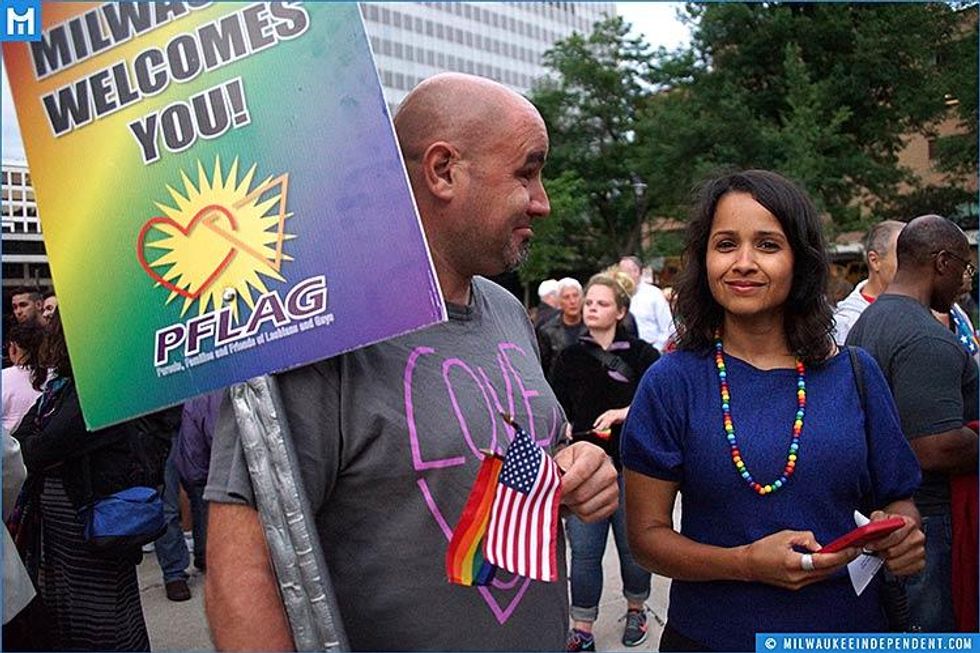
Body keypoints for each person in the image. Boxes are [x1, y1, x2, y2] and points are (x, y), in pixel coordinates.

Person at [205, 73, 619, 652]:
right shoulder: (321, 326)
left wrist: (574, 466)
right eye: (527, 172)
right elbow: (243, 569)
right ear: (443, 170)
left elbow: (502, 453)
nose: (542, 201)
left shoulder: (502, 307)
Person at [621, 170, 925, 652]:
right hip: (711, 638)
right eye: (725, 245)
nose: (743, 263)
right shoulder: (671, 382)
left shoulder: (856, 374)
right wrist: (743, 562)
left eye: (767, 245)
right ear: (703, 260)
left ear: (799, 261)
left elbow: (899, 500)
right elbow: (646, 538)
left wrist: (904, 537)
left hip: (848, 636)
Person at [846, 215, 979, 633]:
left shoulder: (871, 322)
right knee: (932, 632)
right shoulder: (926, 336)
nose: (964, 280)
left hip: (890, 516)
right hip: (929, 525)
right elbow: (932, 445)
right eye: (963, 266)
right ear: (941, 262)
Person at [12, 309, 151, 651]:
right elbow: (23, 436)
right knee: (71, 617)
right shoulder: (60, 388)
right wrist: (36, 445)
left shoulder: (101, 386)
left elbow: (42, 446)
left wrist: (37, 447)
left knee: (105, 622)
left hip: (93, 526)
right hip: (65, 536)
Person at [550, 272, 660, 651]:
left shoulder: (645, 355)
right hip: (584, 468)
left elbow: (659, 405)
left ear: (621, 311)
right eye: (589, 303)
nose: (592, 309)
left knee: (633, 546)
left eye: (601, 303)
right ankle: (582, 626)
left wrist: (622, 413)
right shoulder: (568, 356)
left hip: (632, 465)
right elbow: (555, 406)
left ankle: (636, 608)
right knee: (583, 551)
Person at [832, 220, 904, 345]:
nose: (913, 265)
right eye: (902, 256)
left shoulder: (925, 310)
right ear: (875, 261)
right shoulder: (847, 323)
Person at [618, 256, 674, 351]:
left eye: (626, 271)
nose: (622, 275)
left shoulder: (654, 294)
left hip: (651, 350)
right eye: (620, 271)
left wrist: (655, 350)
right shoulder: (615, 295)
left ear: (638, 272)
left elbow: (668, 327)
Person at [538, 277, 586, 378]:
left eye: (575, 296)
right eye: (566, 297)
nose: (572, 301)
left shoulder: (592, 326)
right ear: (559, 301)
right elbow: (543, 367)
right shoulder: (547, 331)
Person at [2, 323, 45, 433]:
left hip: (9, 445)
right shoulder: (55, 377)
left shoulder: (4, 377)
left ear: (13, 348)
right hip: (40, 443)